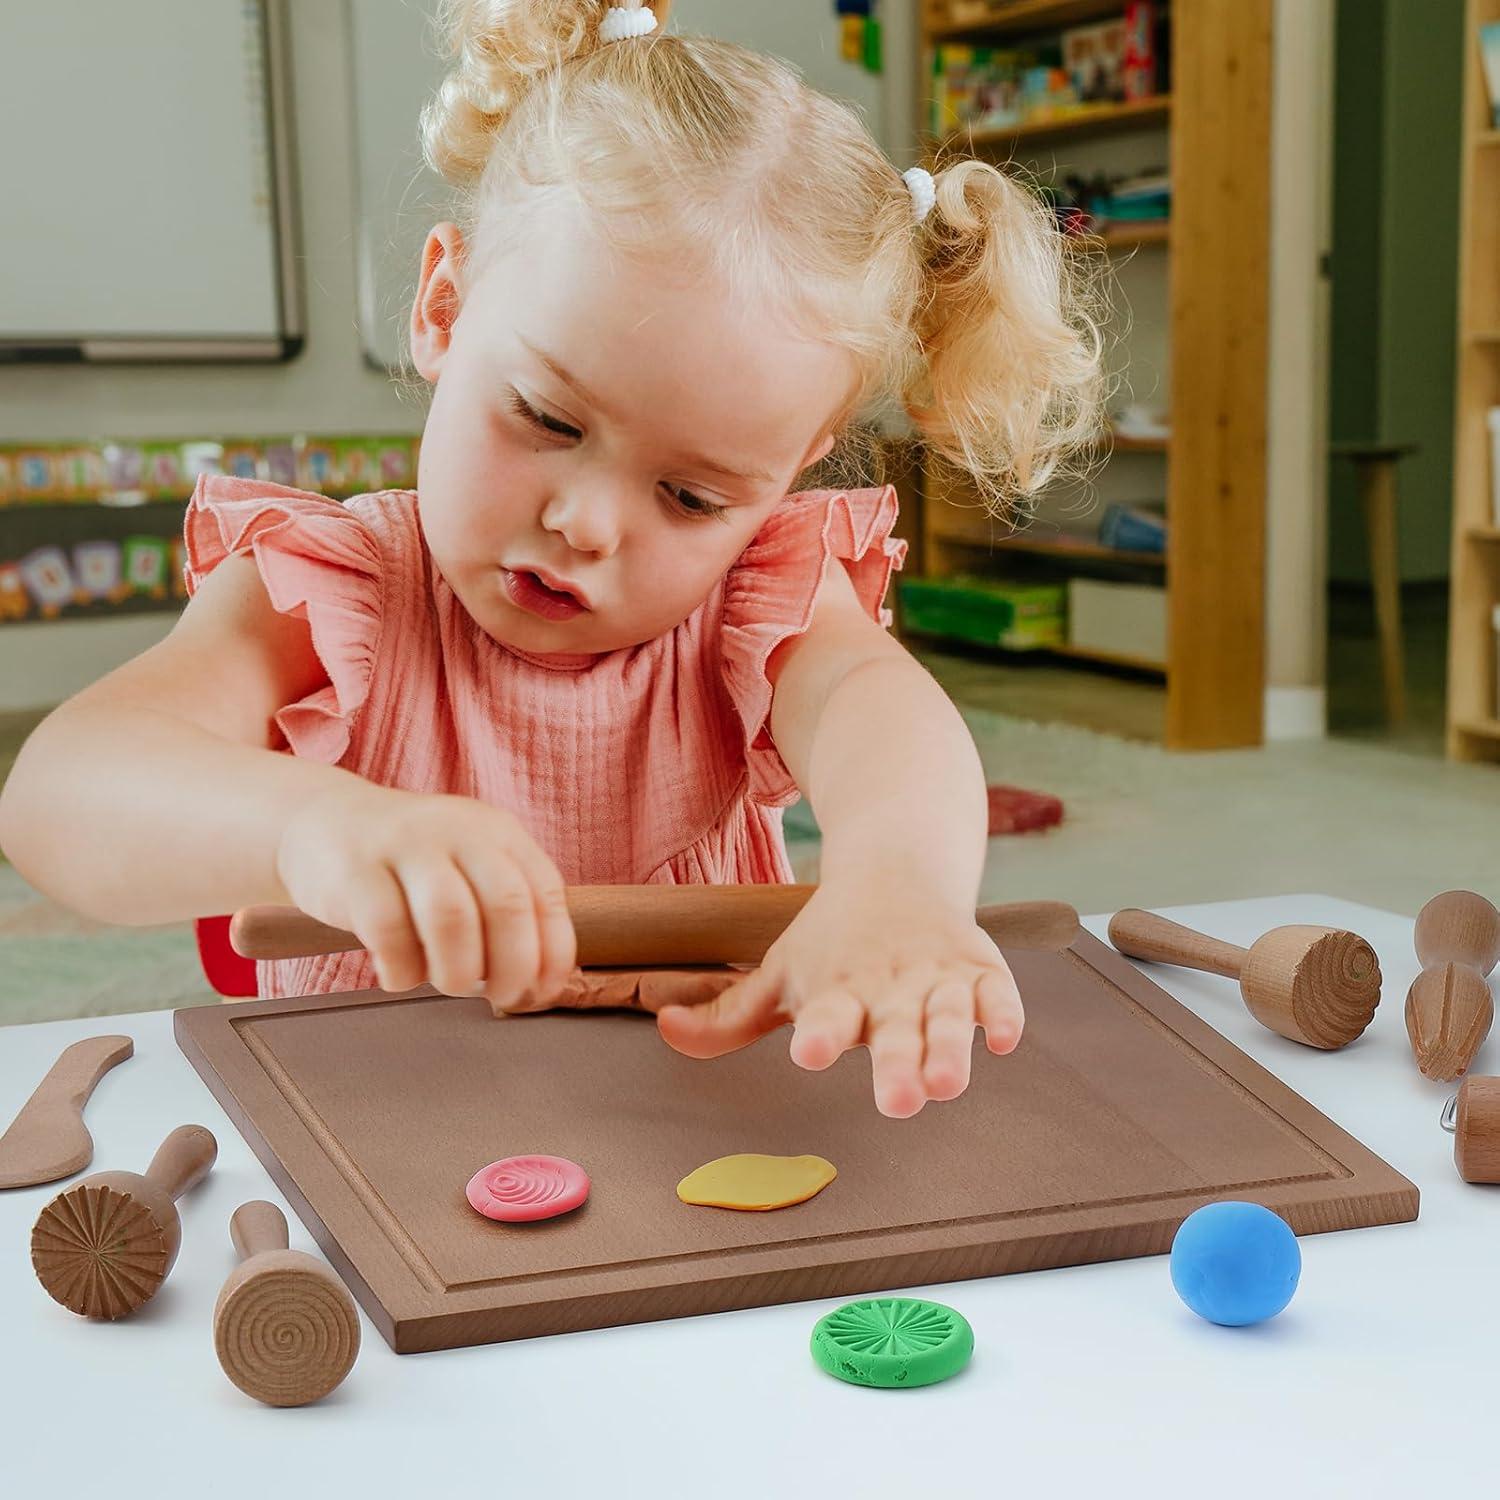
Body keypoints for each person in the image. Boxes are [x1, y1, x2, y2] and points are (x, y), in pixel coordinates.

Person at [0, 1, 1104, 1117]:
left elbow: (882, 713)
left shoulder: (758, 600)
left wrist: (902, 880)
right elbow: (61, 794)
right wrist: (313, 826)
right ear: (443, 308)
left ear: (787, 473)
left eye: (691, 496)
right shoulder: (334, 590)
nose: (588, 524)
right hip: (381, 1130)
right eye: (548, 418)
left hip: (696, 1120)